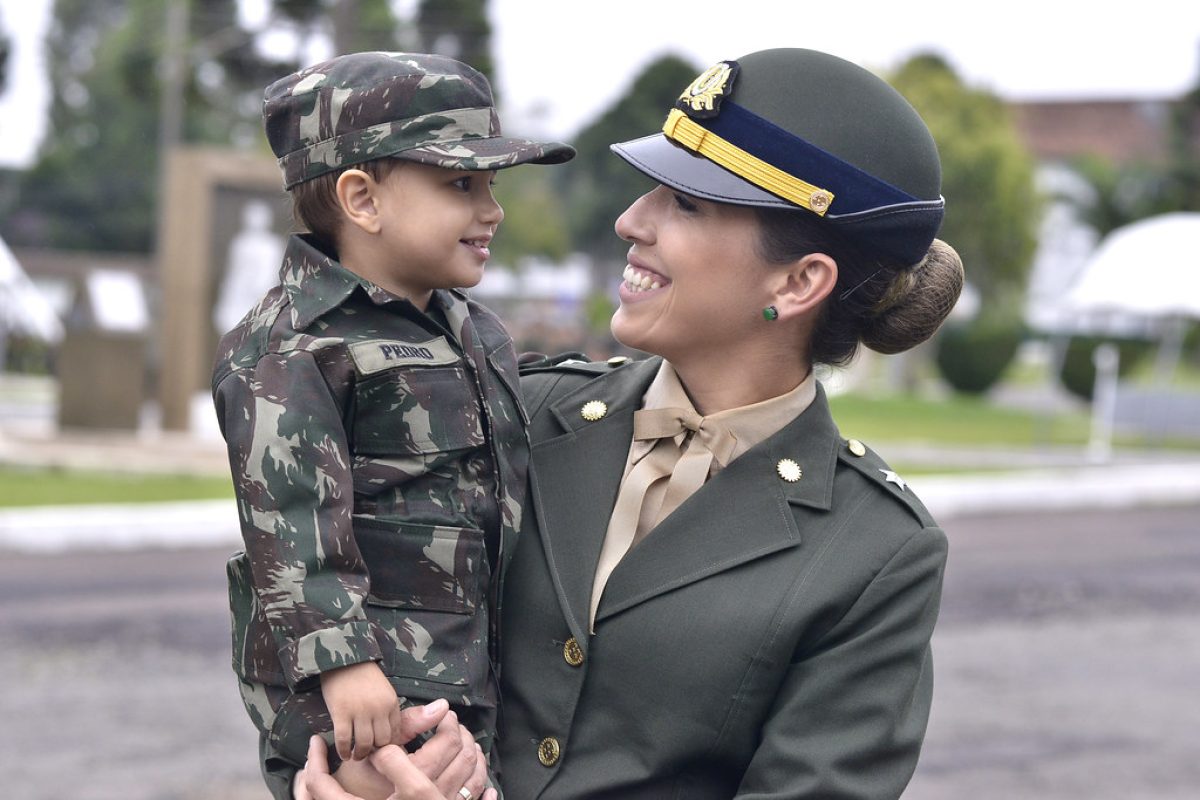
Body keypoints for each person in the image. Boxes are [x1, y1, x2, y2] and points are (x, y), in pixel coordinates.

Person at [304, 46, 962, 800]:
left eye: (686, 204)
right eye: (652, 189)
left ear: (800, 280)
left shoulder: (873, 551)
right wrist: (352, 774)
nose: (629, 221)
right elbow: (337, 605)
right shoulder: (514, 410)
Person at [211, 51, 573, 800]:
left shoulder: (472, 329)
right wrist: (342, 664)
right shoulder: (293, 345)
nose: (492, 211)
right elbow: (292, 515)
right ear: (362, 199)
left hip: (468, 679)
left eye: (492, 186)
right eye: (461, 184)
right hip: (364, 704)